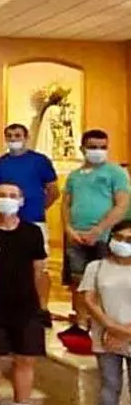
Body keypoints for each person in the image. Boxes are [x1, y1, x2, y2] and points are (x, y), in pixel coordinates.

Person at [0, 183, 53, 405]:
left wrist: (42, 306)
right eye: (2, 195)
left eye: (13, 196)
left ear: (21, 201)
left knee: (26, 359)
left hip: (26, 306)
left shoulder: (32, 232)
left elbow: (39, 271)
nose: (7, 199)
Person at [62, 129, 129, 334]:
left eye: (102, 147)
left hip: (104, 236)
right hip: (76, 235)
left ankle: (104, 324)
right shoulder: (74, 176)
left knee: (103, 280)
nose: (98, 151)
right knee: (77, 280)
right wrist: (68, 228)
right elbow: (66, 204)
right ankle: (81, 323)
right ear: (82, 149)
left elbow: (122, 204)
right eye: (93, 147)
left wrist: (99, 230)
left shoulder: (116, 173)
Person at [0, 123, 59, 326]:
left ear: (26, 137)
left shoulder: (39, 161)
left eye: (17, 135)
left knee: (40, 267)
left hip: (34, 219)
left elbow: (53, 191)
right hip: (5, 222)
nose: (14, 139)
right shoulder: (0, 163)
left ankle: (42, 308)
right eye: (10, 136)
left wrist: (38, 207)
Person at [78, 220, 131, 405]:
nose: (122, 243)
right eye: (119, 237)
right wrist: (110, 327)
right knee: (110, 386)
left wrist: (123, 332)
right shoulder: (96, 267)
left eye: (129, 240)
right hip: (105, 336)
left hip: (125, 333)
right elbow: (89, 300)